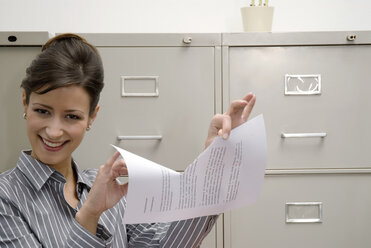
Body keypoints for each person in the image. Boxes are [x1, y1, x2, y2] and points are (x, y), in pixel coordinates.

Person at [0, 33, 256, 247]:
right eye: (42, 111)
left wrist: (211, 163)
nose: (54, 131)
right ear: (25, 102)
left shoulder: (103, 187)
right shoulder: (6, 197)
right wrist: (90, 214)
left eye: (71, 117)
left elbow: (165, 243)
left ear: (91, 117)